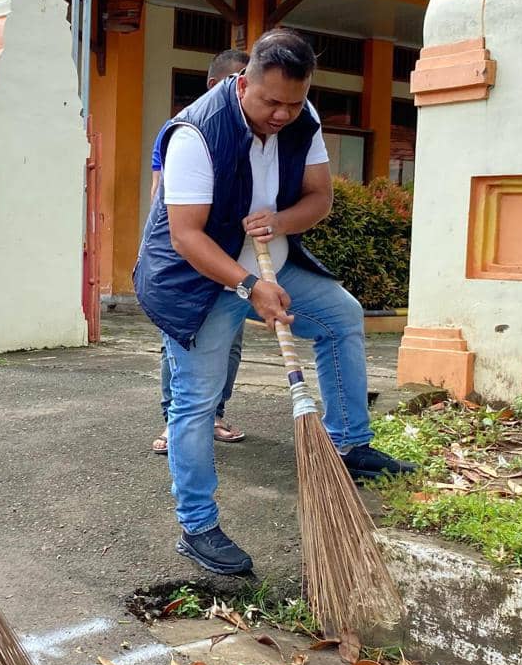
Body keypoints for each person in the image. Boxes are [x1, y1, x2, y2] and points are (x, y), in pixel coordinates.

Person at [133, 29, 415, 577]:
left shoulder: (302, 119)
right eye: (271, 102)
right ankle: (197, 526)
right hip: (196, 280)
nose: (283, 114)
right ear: (244, 84)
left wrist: (279, 223)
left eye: (294, 101)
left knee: (341, 317)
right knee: (195, 401)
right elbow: (188, 236)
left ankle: (349, 445)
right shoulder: (197, 132)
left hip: (273, 263)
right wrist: (247, 287)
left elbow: (320, 197)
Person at [149, 49, 250, 455]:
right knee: (179, 342)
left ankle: (215, 414)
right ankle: (175, 422)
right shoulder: (183, 130)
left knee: (232, 344)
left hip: (230, 259)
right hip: (186, 262)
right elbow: (160, 196)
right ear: (218, 85)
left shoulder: (248, 133)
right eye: (242, 79)